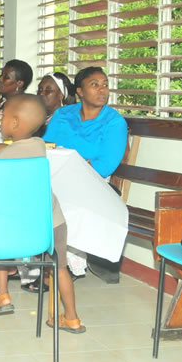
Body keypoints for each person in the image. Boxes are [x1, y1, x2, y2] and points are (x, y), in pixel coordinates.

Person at [0, 94, 84, 332]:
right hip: (52, 223)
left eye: (4, 116)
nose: (0, 120)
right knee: (60, 268)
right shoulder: (38, 145)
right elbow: (13, 149)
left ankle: (3, 294)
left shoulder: (4, 157)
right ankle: (72, 317)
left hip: (18, 228)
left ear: (16, 122)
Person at [43, 66, 128, 284]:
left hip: (93, 181)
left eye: (105, 85)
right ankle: (32, 261)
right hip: (55, 175)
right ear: (80, 91)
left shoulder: (114, 122)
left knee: (64, 201)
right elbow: (47, 147)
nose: (102, 90)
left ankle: (63, 266)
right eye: (95, 85)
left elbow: (105, 165)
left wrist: (76, 167)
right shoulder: (63, 114)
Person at [0, 59, 33, 135]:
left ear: (19, 83)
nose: (0, 79)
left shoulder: (25, 110)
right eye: (1, 75)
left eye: (6, 77)